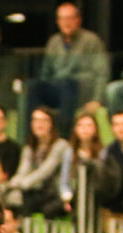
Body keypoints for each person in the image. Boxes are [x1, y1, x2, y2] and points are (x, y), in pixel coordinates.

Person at [28, 2, 108, 138]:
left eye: (70, 18)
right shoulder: (54, 42)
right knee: (34, 85)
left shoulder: (91, 40)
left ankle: (64, 136)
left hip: (81, 90)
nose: (66, 23)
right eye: (62, 19)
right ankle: (30, 137)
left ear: (78, 20)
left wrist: (97, 100)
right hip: (57, 89)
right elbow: (45, 73)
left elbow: (102, 73)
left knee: (67, 84)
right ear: (58, 21)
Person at [9, 107, 71, 219]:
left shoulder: (61, 145)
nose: (39, 124)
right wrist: (13, 184)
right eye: (36, 120)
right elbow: (23, 170)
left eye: (44, 120)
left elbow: (45, 171)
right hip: (34, 191)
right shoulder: (29, 147)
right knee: (13, 198)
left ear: (51, 124)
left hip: (55, 193)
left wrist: (21, 185)